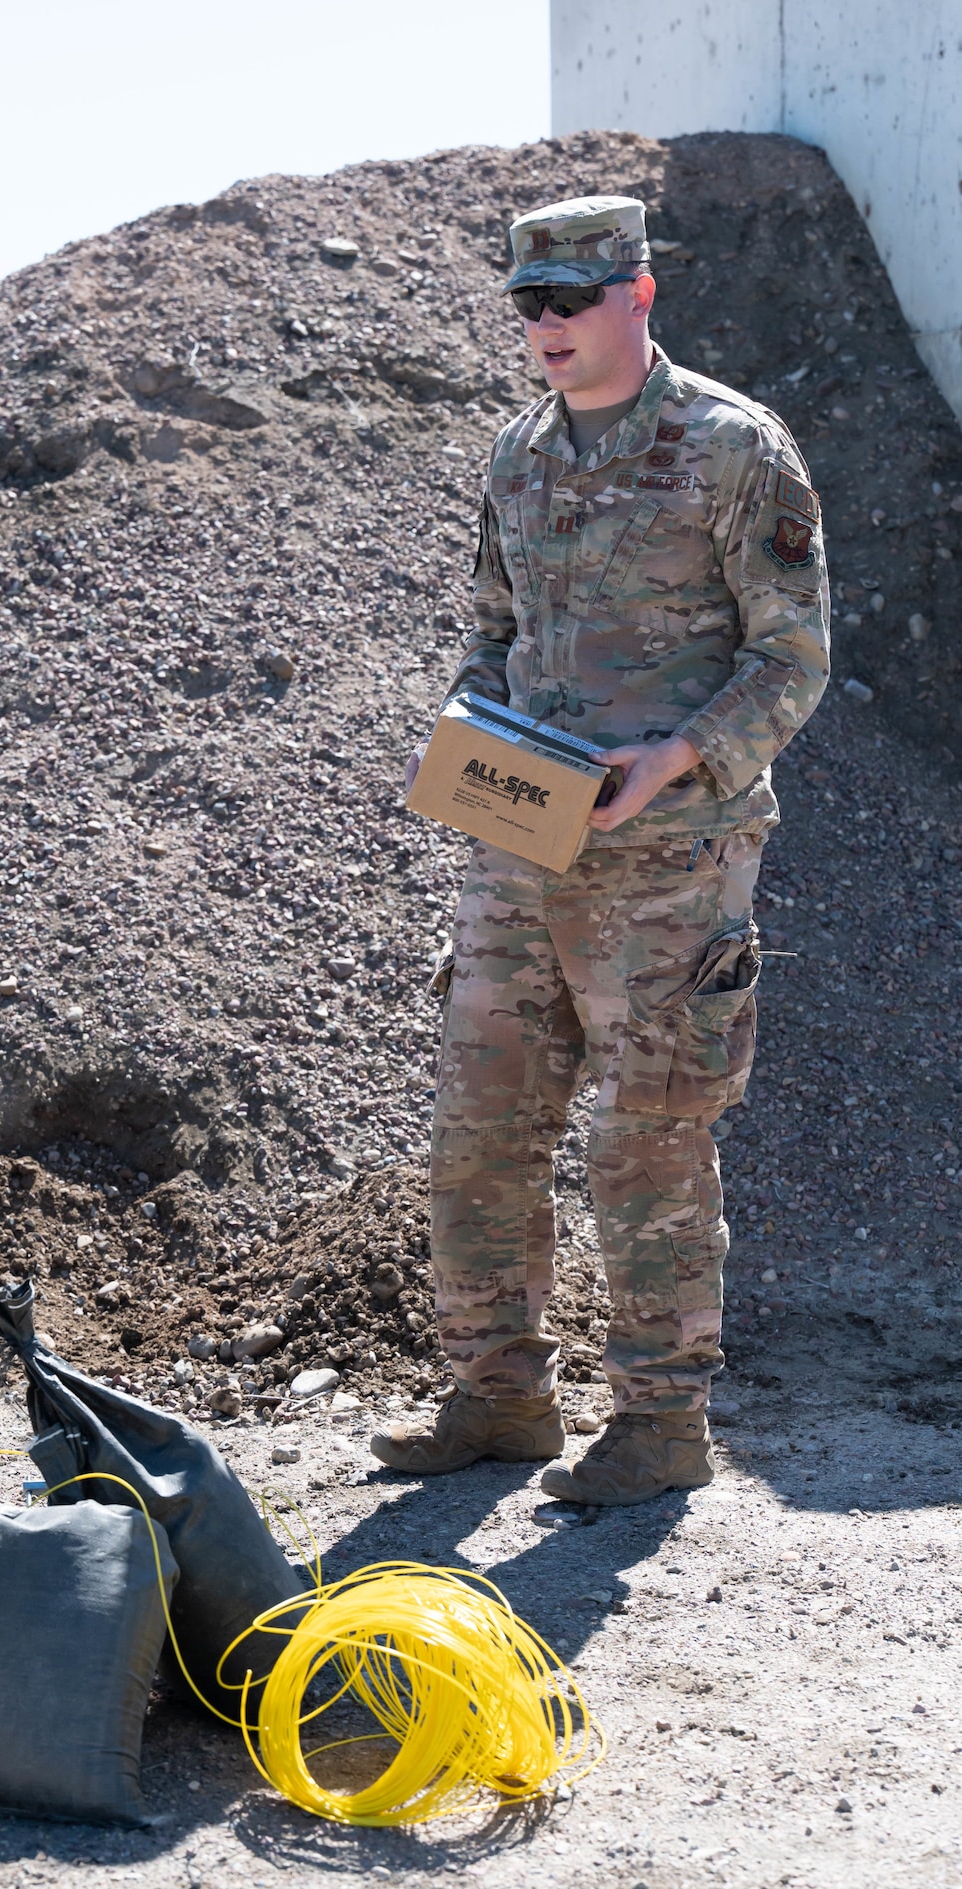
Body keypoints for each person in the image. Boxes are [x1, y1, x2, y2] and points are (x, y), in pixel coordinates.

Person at [370, 194, 830, 1505]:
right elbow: (490, 631)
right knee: (480, 1128)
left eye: (572, 298)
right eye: (528, 303)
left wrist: (674, 760)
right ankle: (498, 1396)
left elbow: (792, 659)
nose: (548, 325)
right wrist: (469, 730)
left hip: (674, 861)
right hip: (522, 848)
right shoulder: (517, 456)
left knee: (649, 1139)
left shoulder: (732, 447)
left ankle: (659, 1424)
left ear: (639, 294)